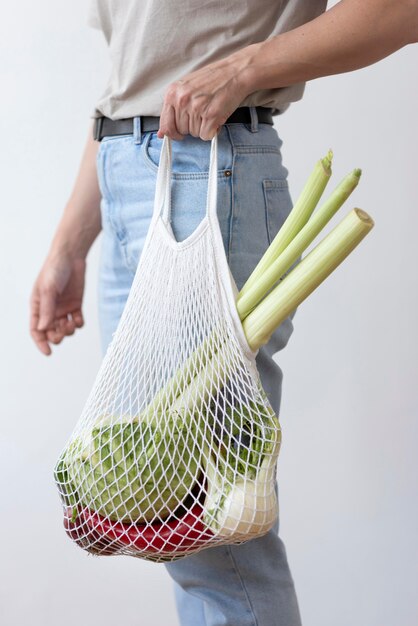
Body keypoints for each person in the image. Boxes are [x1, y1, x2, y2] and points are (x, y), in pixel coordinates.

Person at [30, 1, 418, 625]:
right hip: (132, 180)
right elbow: (134, 79)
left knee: (210, 539)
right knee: (165, 521)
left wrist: (245, 68)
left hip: (207, 171)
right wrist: (70, 243)